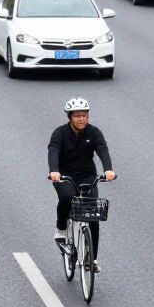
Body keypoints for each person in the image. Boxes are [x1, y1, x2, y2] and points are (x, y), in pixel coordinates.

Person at [48, 97, 116, 273]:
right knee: (66, 197)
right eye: (77, 115)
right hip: (65, 175)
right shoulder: (60, 133)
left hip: (87, 176)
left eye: (84, 115)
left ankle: (91, 259)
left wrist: (108, 169)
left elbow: (102, 149)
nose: (81, 119)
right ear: (70, 117)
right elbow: (53, 150)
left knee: (93, 215)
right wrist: (54, 171)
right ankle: (61, 228)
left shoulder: (94, 133)